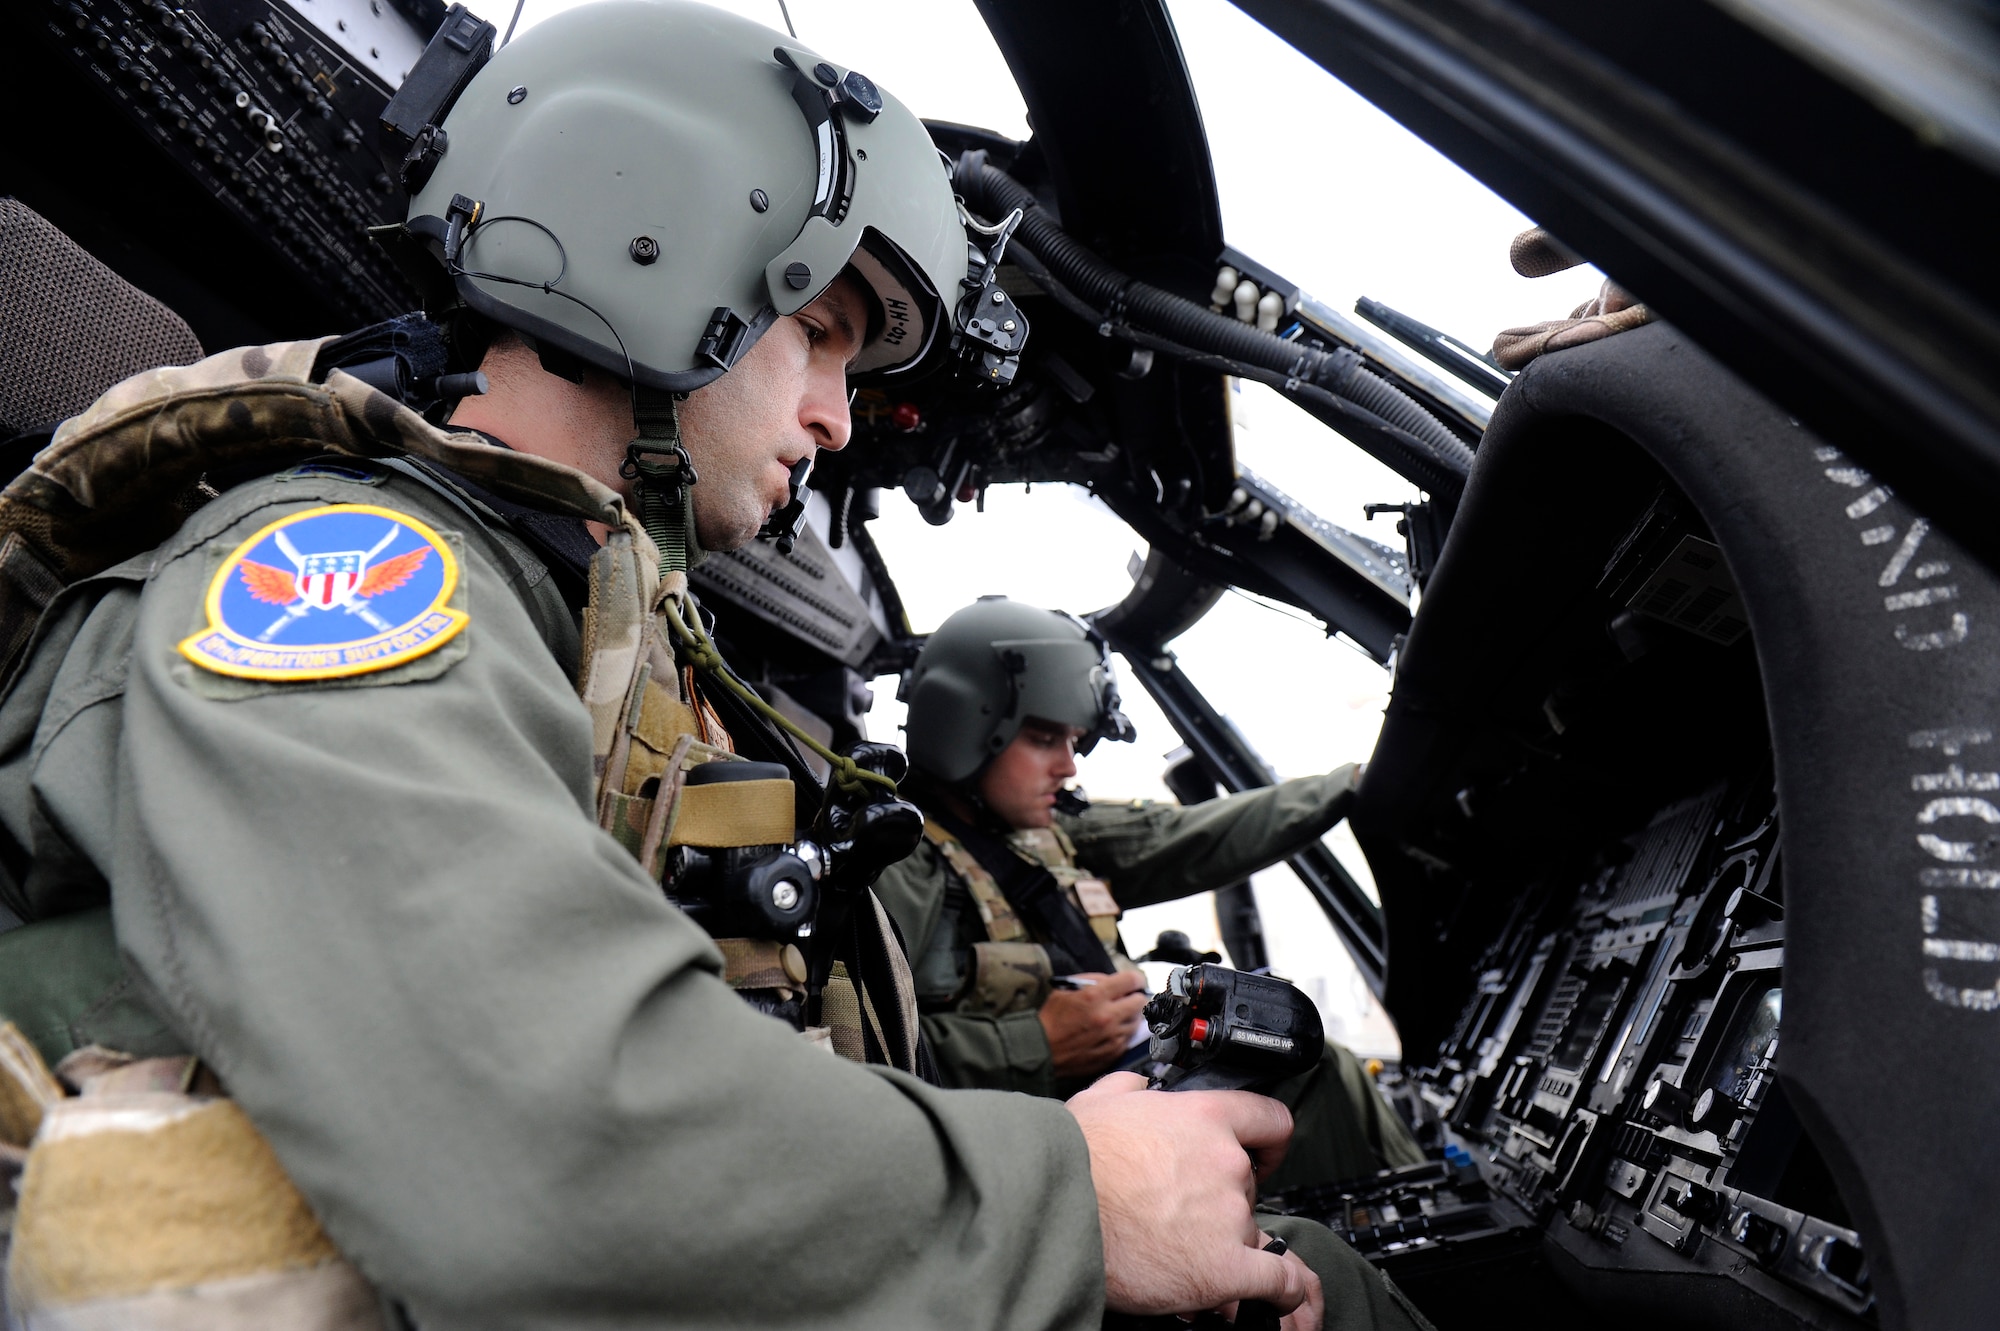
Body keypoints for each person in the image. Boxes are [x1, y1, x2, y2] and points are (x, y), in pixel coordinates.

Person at [0, 4, 1445, 1329]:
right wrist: (1073, 1192)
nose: (833, 417)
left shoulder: (605, 628)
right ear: (650, 241)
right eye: (820, 333)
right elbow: (542, 1147)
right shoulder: (338, 577)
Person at [875, 596, 1427, 1193]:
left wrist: (1345, 786)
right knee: (1313, 1076)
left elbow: (1190, 839)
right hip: (1034, 1143)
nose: (1069, 766)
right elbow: (862, 1055)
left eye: (1074, 741)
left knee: (1301, 1057)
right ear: (964, 723)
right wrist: (1032, 1042)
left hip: (1119, 1084)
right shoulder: (894, 866)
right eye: (1043, 738)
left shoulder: (1044, 835)